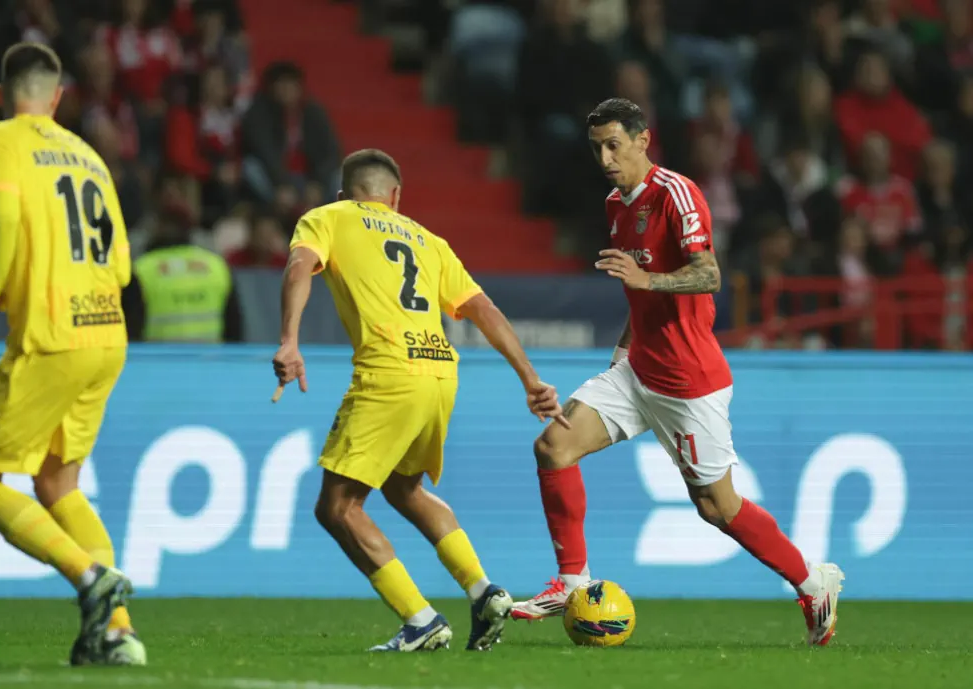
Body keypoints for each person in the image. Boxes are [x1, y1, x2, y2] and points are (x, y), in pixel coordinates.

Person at [510, 99, 845, 647]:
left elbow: (709, 274)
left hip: (689, 382)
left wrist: (647, 282)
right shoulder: (617, 205)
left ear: (644, 140)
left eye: (614, 144)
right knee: (553, 446)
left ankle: (813, 583)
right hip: (638, 369)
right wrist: (621, 354)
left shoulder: (677, 194)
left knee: (718, 508)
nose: (605, 157)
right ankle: (571, 583)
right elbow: (636, 296)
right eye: (597, 147)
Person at [271, 149, 565, 652]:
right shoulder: (429, 241)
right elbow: (482, 309)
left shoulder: (327, 217)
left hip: (388, 373)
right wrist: (530, 378)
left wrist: (289, 338)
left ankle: (420, 619)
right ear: (396, 198)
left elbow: (300, 266)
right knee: (405, 489)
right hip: (440, 373)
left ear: (345, 194)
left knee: (337, 508)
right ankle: (483, 590)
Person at [0, 42, 144, 667]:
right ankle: (117, 635)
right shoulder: (89, 156)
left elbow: (4, 213)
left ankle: (92, 580)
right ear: (58, 99)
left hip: (51, 337)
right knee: (59, 481)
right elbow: (122, 264)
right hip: (106, 334)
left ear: (2, 96)